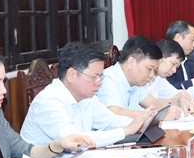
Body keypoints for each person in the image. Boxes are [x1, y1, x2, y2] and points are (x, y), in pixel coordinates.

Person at [21, 42, 154, 147]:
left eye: (100, 76)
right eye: (94, 77)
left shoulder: (87, 97)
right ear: (71, 74)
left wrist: (141, 123)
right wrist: (127, 130)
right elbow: (76, 141)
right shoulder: (49, 101)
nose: (99, 83)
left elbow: (110, 121)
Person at [96, 35, 194, 120]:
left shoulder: (135, 82)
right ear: (131, 62)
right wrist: (157, 116)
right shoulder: (108, 79)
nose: (152, 75)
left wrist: (178, 101)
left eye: (154, 70)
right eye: (149, 68)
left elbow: (154, 103)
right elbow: (115, 113)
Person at [164, 20, 194, 90]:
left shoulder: (185, 59)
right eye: (192, 40)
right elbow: (168, 88)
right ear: (178, 37)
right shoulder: (165, 56)